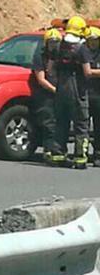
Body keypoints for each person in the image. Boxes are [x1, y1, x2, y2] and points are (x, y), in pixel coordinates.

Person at [48, 16, 96, 169]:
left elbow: (50, 68)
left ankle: (57, 155)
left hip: (61, 89)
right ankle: (80, 158)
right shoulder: (82, 49)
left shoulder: (59, 46)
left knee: (61, 123)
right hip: (77, 91)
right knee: (81, 125)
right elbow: (87, 72)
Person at [32, 28, 61, 162]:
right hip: (45, 96)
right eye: (51, 43)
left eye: (56, 43)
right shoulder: (40, 57)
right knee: (48, 123)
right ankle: (48, 150)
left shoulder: (62, 57)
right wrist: (55, 90)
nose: (54, 46)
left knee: (60, 123)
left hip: (61, 96)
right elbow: (41, 79)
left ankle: (58, 150)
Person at [87, 27, 100, 166]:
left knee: (98, 127)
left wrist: (90, 72)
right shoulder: (83, 52)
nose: (92, 43)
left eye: (95, 40)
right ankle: (81, 153)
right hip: (84, 95)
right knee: (82, 127)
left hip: (98, 95)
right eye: (90, 40)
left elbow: (87, 72)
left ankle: (98, 154)